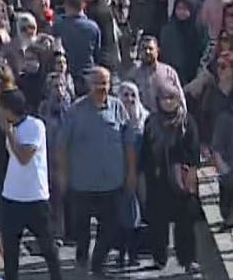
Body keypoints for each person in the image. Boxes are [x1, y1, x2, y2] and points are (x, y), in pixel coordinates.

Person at [55, 66, 136, 275]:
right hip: (82, 185)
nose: (101, 87)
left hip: (112, 184)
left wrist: (132, 173)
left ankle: (98, 264)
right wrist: (63, 175)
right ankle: (82, 255)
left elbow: (129, 144)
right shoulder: (75, 111)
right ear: (88, 85)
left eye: (105, 83)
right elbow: (62, 146)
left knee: (109, 229)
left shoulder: (118, 108)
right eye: (97, 83)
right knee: (81, 231)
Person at [0, 90, 61, 280]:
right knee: (10, 252)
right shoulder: (11, 127)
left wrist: (9, 133)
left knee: (48, 247)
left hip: (35, 197)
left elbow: (24, 157)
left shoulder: (34, 125)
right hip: (12, 196)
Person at [139, 85, 201, 273]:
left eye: (171, 97)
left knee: (186, 223)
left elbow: (194, 152)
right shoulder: (151, 122)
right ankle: (159, 258)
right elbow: (145, 153)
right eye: (164, 98)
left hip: (181, 181)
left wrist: (189, 176)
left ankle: (188, 260)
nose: (168, 102)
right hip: (158, 180)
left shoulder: (187, 121)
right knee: (157, 222)